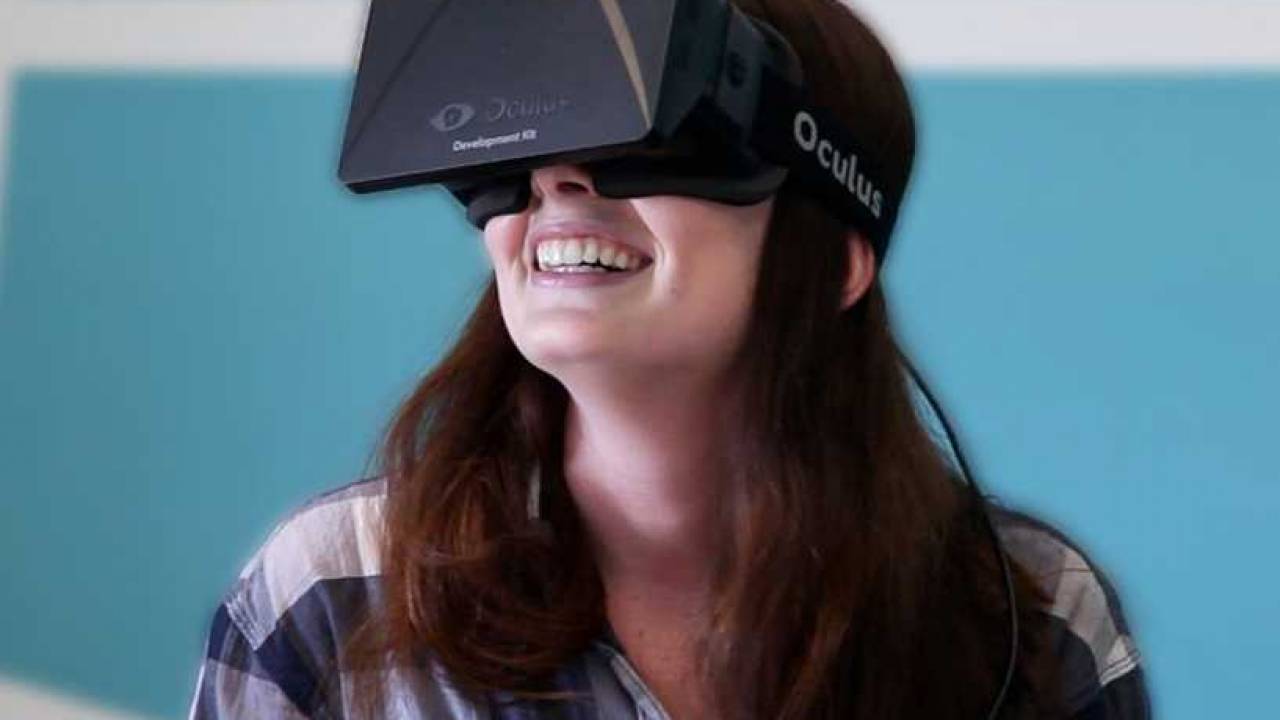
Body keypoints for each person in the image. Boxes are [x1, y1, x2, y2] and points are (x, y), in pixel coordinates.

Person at [186, 0, 1151, 718]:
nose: (559, 178)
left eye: (652, 135)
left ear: (835, 261)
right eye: (531, 146)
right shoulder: (332, 597)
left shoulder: (1028, 617)